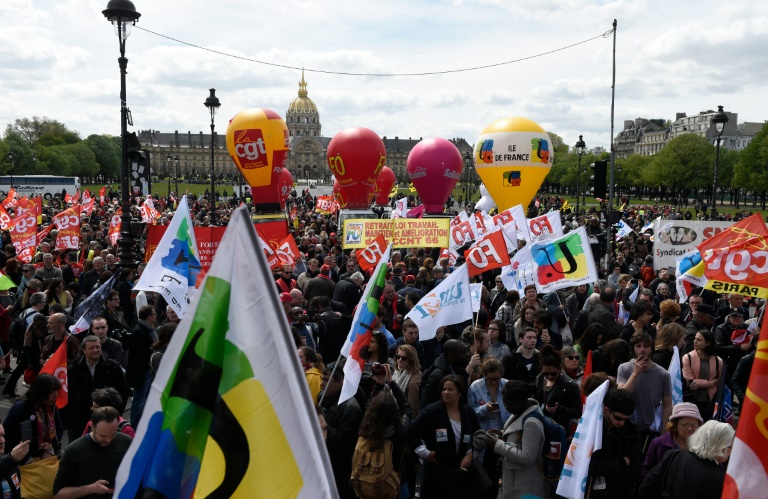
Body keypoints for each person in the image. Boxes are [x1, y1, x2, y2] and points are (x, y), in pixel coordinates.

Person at [410, 375, 479, 498]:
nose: (446, 392)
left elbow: (478, 435)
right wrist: (424, 452)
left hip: (460, 478)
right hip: (436, 476)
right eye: (443, 389)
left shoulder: (468, 412)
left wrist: (470, 454)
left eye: (450, 389)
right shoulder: (431, 411)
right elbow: (411, 432)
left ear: (460, 393)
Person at [638, 420, 735, 499]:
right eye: (731, 446)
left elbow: (646, 489)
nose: (732, 451)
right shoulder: (721, 479)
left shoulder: (674, 455)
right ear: (721, 447)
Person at [484, 380, 548, 499]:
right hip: (517, 483)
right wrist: (502, 434)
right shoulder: (521, 412)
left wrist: (498, 444)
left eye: (508, 404)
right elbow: (519, 436)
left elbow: (528, 456)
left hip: (527, 487)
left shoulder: (531, 423)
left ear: (520, 401)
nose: (506, 408)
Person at [53, 407, 133, 499]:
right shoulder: (74, 450)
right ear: (92, 427)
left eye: (113, 434)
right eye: (103, 436)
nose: (108, 440)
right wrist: (91, 488)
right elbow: (58, 494)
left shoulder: (126, 442)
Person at [617, 332, 673, 454]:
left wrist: (665, 431)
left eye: (646, 346)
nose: (642, 350)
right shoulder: (624, 368)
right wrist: (635, 373)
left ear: (652, 348)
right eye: (638, 346)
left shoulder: (663, 374)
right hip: (626, 427)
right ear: (633, 348)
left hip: (650, 430)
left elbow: (668, 404)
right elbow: (621, 397)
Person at [67, 335, 131, 441]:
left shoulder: (112, 367)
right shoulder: (74, 369)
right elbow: (68, 394)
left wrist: (115, 413)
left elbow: (123, 392)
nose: (95, 350)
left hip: (106, 420)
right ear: (84, 350)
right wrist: (70, 416)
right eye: (91, 348)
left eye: (98, 347)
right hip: (79, 421)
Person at [585, 388, 642, 499]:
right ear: (606, 410)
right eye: (618, 418)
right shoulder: (592, 430)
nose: (622, 423)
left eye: (626, 419)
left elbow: (637, 466)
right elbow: (590, 466)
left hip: (622, 491)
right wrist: (621, 462)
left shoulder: (631, 431)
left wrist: (610, 470)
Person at [468, 358, 510, 499]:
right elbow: (470, 412)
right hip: (484, 435)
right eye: (490, 379)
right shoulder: (475, 387)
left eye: (497, 378)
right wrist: (485, 408)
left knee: (502, 471)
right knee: (484, 475)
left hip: (503, 434)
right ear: (484, 375)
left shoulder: (506, 385)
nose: (494, 382)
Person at [320, 359, 363, 499]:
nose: (321, 384)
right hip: (326, 466)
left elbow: (344, 443)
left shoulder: (350, 408)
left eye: (326, 380)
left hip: (340, 472)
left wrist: (323, 426)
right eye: (322, 379)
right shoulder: (323, 397)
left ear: (340, 382)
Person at [3, 373, 63, 460]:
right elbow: (9, 437)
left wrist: (51, 450)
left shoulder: (51, 407)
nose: (56, 395)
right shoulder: (21, 408)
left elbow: (58, 430)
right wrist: (33, 457)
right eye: (51, 392)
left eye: (57, 390)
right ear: (41, 392)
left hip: (47, 455)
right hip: (24, 459)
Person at [641, 402, 702, 478]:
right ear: (675, 425)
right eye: (684, 425)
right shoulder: (658, 443)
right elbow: (645, 471)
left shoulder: (702, 447)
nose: (689, 428)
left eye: (693, 425)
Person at [533, 345, 582, 438]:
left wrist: (558, 409)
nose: (550, 376)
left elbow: (577, 412)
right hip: (540, 428)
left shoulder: (569, 385)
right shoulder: (539, 378)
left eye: (553, 373)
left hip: (559, 431)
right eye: (546, 373)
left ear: (560, 367)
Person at [127, 305, 158, 427]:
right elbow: (139, 354)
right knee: (139, 400)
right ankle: (134, 426)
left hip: (147, 370)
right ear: (149, 317)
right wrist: (153, 347)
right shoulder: (138, 331)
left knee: (146, 399)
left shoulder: (149, 329)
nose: (156, 316)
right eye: (154, 314)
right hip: (141, 372)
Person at [682, 329, 723, 419]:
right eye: (695, 339)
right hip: (692, 399)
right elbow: (690, 380)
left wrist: (701, 383)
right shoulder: (687, 357)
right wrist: (711, 383)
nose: (695, 342)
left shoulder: (718, 360)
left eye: (699, 340)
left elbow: (719, 381)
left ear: (708, 343)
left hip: (710, 400)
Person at [0, 423, 28, 499]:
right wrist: (12, 458)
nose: (2, 441)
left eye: (3, 436)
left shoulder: (12, 465)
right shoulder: (10, 461)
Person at [392, 344, 422, 415]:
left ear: (411, 359)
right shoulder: (397, 372)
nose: (400, 360)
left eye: (404, 358)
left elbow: (413, 409)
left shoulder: (414, 380)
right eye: (398, 357)